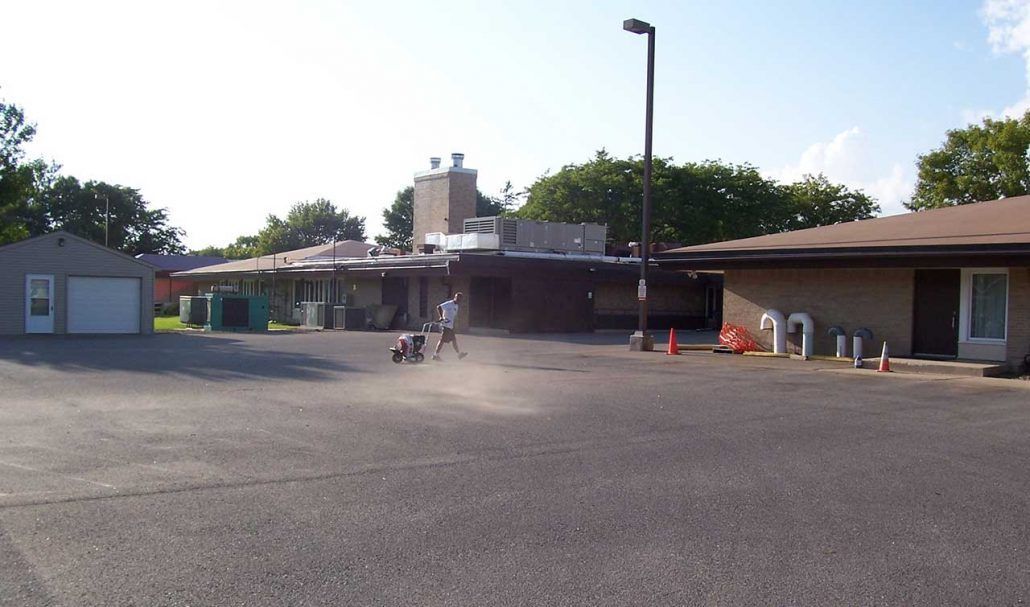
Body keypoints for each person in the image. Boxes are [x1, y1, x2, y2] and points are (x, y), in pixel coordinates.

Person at [432, 292, 468, 361]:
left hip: (450, 326)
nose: (458, 300)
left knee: (453, 340)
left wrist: (455, 324)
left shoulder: (456, 306)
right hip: (445, 325)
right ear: (455, 297)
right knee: (442, 340)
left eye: (460, 299)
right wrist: (441, 317)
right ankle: (435, 355)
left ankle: (459, 354)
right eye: (457, 298)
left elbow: (454, 317)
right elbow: (439, 307)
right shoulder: (449, 304)